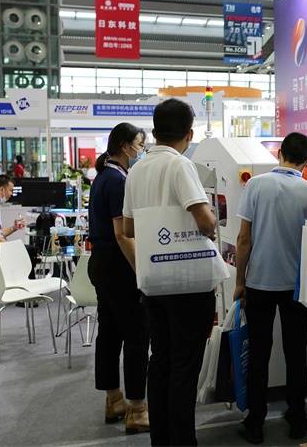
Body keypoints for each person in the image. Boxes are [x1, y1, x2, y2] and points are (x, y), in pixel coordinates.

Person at [122, 99, 218, 446]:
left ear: (154, 131)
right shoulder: (180, 165)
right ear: (189, 134)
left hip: (153, 281)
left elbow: (129, 228)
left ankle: (161, 439)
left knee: (160, 361)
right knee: (184, 367)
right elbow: (206, 222)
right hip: (187, 282)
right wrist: (208, 218)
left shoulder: (137, 169)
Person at [233, 132, 307, 445]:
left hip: (259, 283)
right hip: (296, 286)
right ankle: (298, 418)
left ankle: (255, 422)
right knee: (296, 353)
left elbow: (244, 238)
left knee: (258, 353)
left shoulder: (256, 185)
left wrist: (240, 281)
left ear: (279, 152)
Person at [87, 123, 149, 435]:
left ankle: (114, 399)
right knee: (137, 335)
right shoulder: (117, 181)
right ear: (125, 146)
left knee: (110, 333)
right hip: (118, 266)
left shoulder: (104, 176)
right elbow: (123, 234)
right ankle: (137, 409)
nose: (142, 150)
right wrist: (142, 271)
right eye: (140, 144)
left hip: (102, 263)